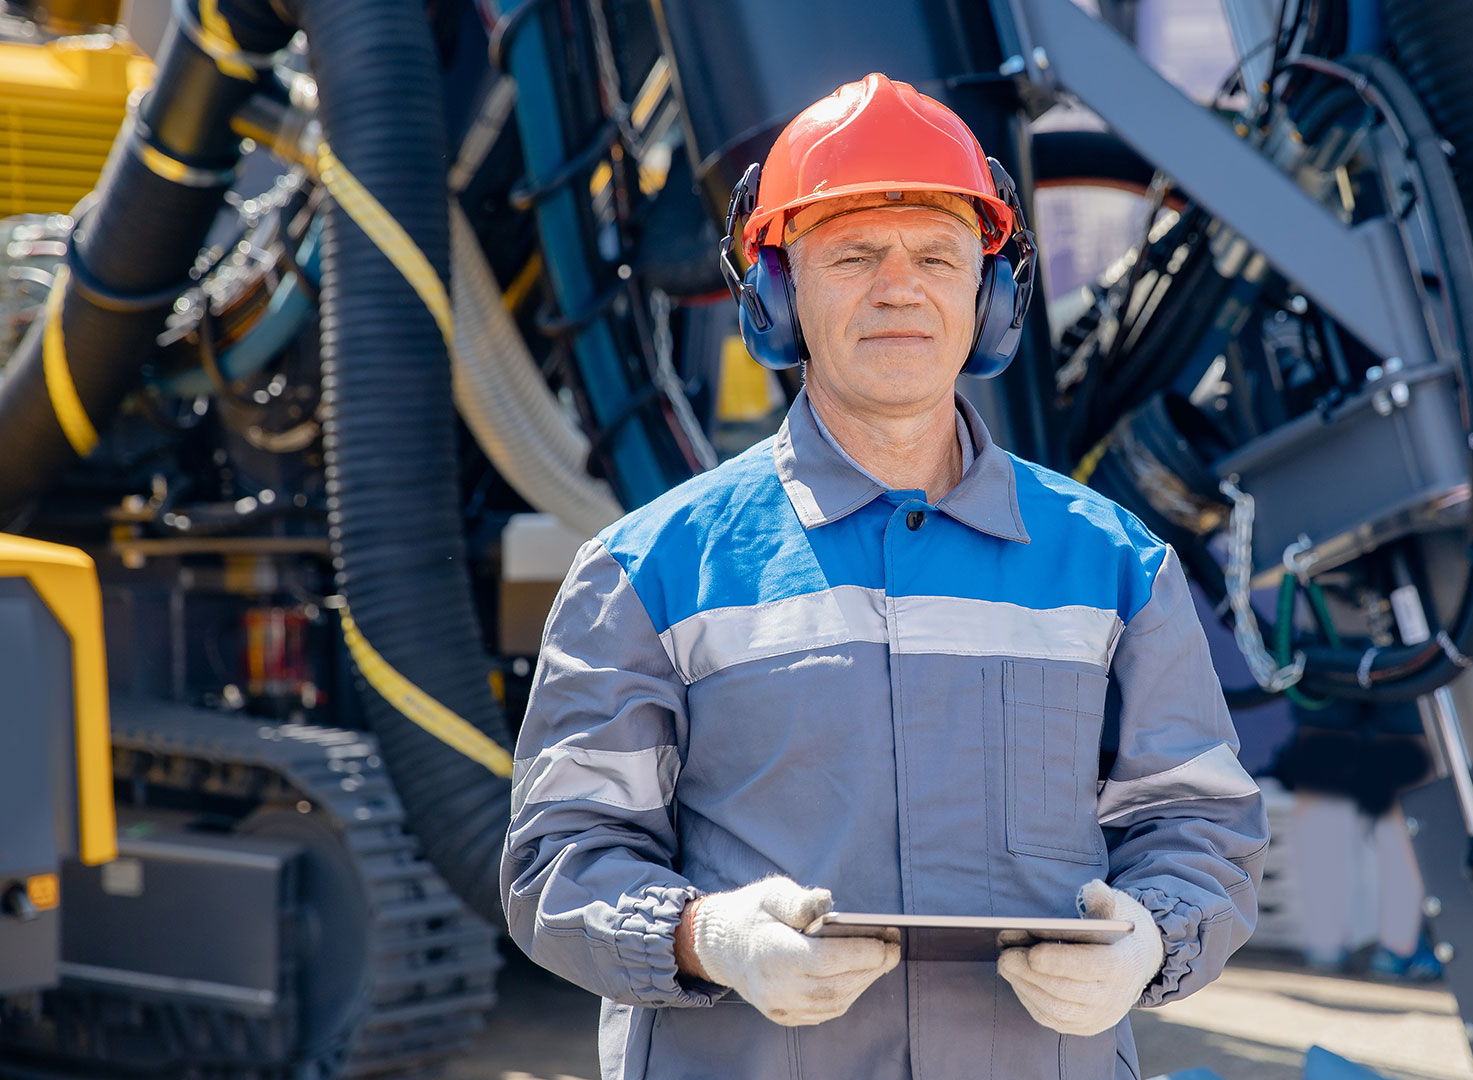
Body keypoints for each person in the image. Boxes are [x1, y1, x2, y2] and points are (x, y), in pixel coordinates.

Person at [501, 73, 1268, 1080]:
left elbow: (1199, 829)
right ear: (776, 295)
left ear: (988, 298)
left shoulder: (1114, 566)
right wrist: (706, 936)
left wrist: (1154, 941)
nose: (898, 287)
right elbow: (559, 859)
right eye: (854, 255)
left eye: (937, 256)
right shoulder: (649, 573)